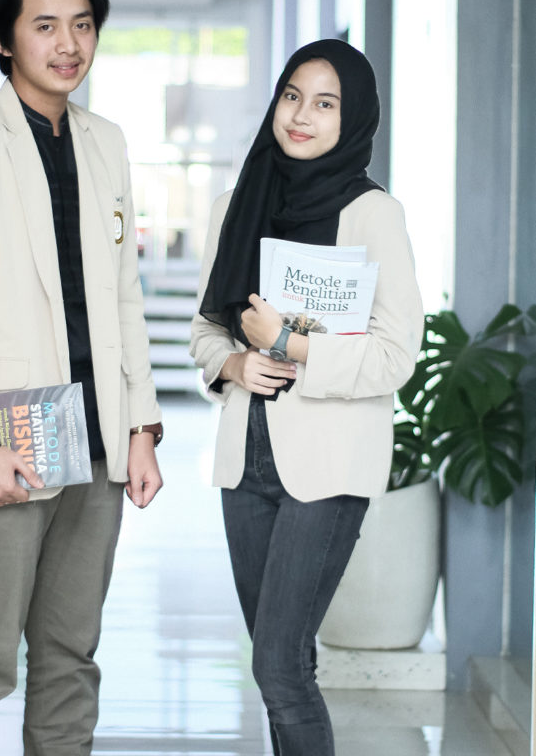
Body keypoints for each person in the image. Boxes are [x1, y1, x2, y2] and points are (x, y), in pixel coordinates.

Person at [0, 0, 163, 756]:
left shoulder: (105, 142)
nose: (68, 44)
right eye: (45, 26)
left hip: (96, 444)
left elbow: (122, 296)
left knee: (70, 657)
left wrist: (140, 427)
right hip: (5, 442)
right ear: (2, 38)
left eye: (82, 25)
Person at [190, 39, 423, 756]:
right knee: (282, 667)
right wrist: (233, 363)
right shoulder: (237, 205)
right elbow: (204, 330)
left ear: (353, 119)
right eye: (292, 96)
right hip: (247, 465)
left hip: (328, 468)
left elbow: (395, 356)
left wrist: (290, 343)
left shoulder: (373, 213)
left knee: (278, 666)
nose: (300, 115)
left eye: (325, 103)